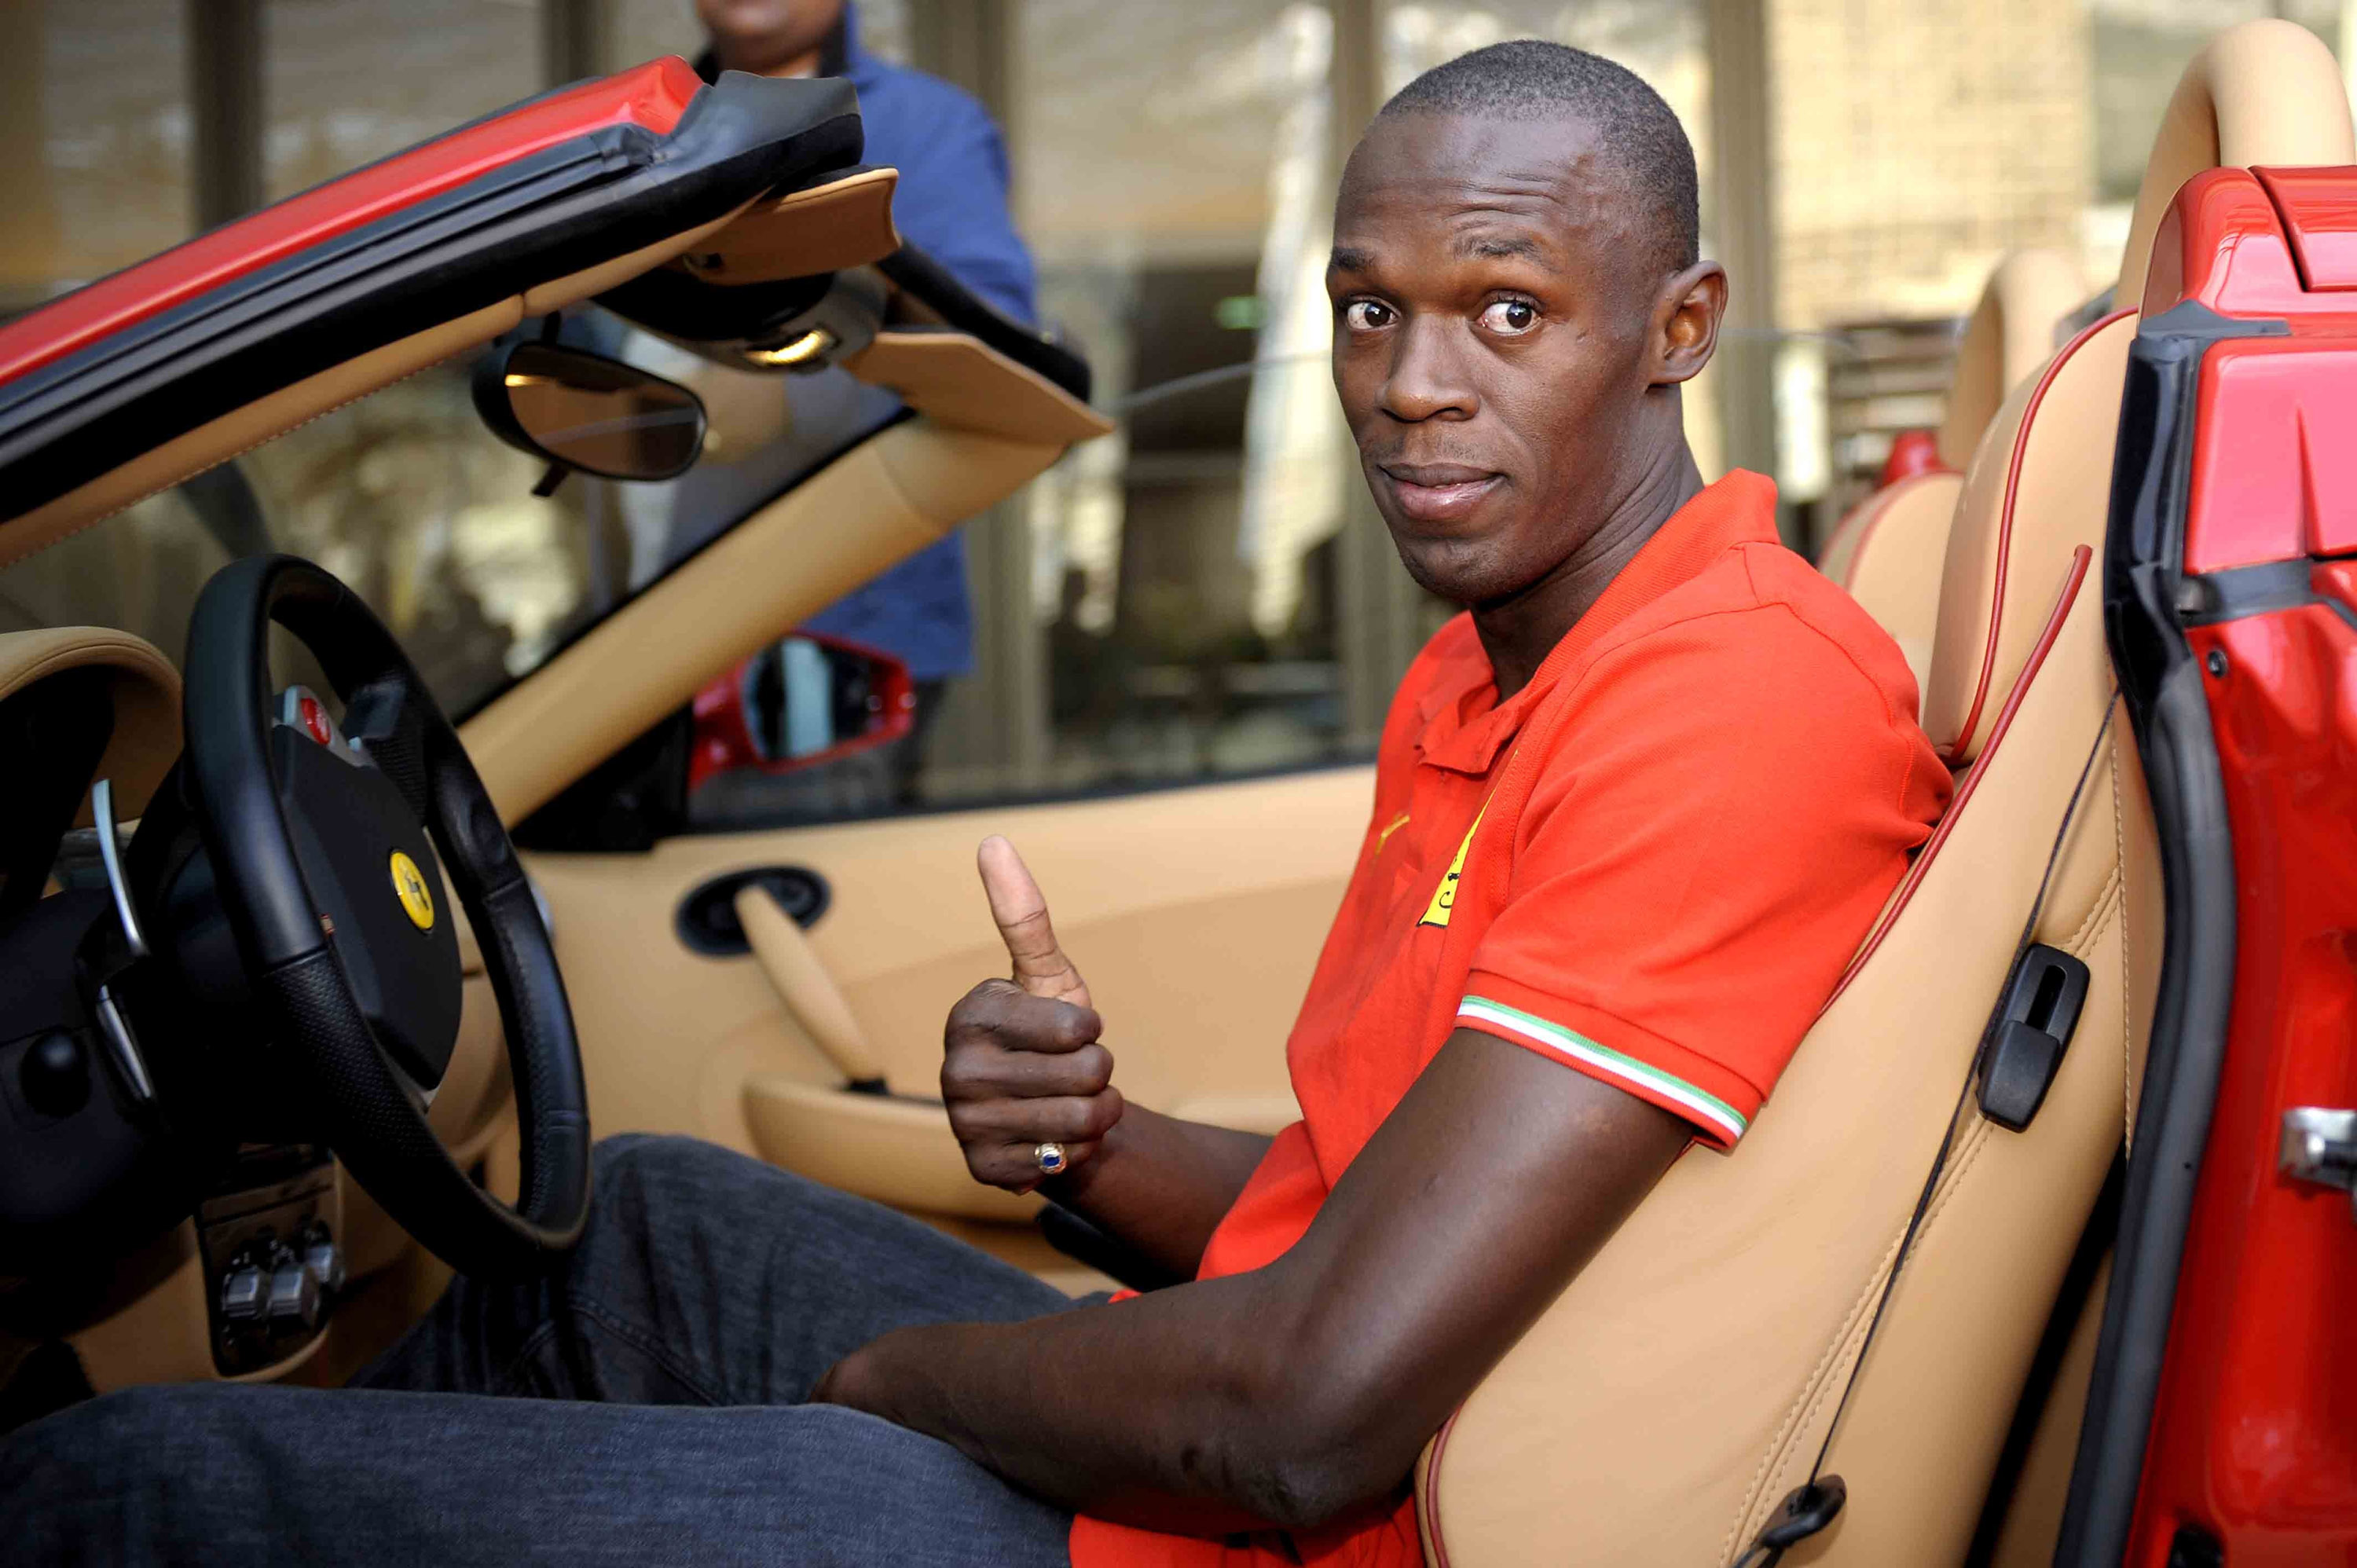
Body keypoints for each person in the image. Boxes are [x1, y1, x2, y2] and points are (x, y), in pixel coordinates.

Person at [1, 42, 1950, 1567]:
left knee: (135, 1488)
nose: (1410, 387)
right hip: (1290, 1463)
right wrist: (1092, 1152)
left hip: (1294, 1533)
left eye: (1505, 312)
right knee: (641, 1230)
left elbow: (1301, 1416)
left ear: (1678, 328)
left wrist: (885, 1396)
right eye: (1369, 311)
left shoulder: (1729, 704)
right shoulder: (1494, 663)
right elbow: (1362, 1213)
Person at [676, 0, 1037, 812]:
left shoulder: (928, 127)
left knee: (759, 910)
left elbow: (994, 344)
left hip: (829, 646)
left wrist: (789, 395)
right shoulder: (642, 128)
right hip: (639, 638)